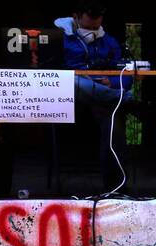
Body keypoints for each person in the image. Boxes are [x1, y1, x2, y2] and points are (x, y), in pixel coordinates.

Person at [55, 5, 133, 186]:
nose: (93, 31)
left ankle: (116, 186)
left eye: (96, 28)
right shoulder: (59, 39)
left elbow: (126, 76)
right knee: (75, 81)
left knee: (114, 120)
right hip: (68, 95)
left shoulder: (110, 42)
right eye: (88, 27)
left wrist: (111, 82)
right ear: (75, 16)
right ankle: (118, 97)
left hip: (100, 99)